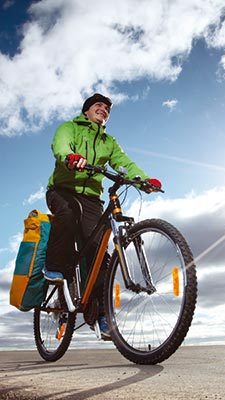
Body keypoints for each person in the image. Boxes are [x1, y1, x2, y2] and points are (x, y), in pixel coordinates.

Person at [43, 93, 161, 340]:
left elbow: (124, 163)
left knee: (98, 252)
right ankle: (54, 266)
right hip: (62, 191)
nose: (104, 110)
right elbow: (60, 146)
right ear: (86, 111)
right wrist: (70, 157)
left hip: (92, 198)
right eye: (98, 105)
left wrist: (143, 180)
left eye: (107, 108)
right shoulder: (70, 127)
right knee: (66, 214)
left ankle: (101, 315)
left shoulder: (109, 142)